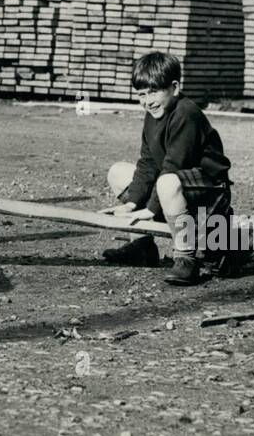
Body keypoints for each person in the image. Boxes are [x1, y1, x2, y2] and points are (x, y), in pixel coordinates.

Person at [99, 51, 233, 285]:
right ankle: (141, 247)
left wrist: (150, 209)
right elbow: (148, 162)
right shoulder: (153, 115)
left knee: (166, 181)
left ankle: (186, 258)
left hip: (209, 193)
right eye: (141, 94)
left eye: (153, 92)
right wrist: (132, 202)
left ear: (174, 88)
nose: (147, 100)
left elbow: (174, 165)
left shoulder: (186, 114)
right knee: (118, 172)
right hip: (175, 188)